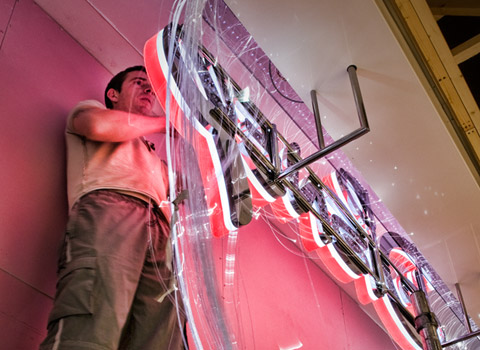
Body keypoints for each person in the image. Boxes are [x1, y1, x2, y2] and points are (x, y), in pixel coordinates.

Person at [40, 66, 185, 350]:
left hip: (160, 232)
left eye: (151, 87)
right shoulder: (90, 110)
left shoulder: (155, 160)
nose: (148, 89)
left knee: (160, 336)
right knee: (89, 330)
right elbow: (99, 126)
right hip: (110, 210)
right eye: (139, 82)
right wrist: (167, 123)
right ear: (113, 94)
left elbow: (192, 195)